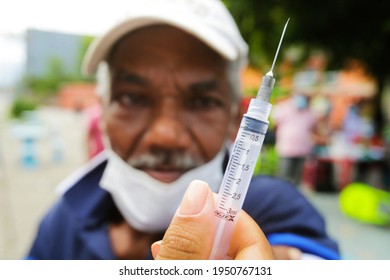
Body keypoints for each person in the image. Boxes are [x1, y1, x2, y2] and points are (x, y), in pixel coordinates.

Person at [27, 0, 340, 260]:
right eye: (132, 98)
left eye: (202, 102)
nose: (166, 135)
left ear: (235, 118)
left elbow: (313, 259)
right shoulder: (63, 221)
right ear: (102, 112)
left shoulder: (274, 207)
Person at [272, 94, 317, 186]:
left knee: (296, 178)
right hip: (286, 149)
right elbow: (275, 123)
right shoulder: (284, 108)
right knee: (284, 175)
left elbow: (312, 128)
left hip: (302, 149)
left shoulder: (309, 112)